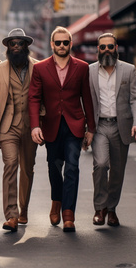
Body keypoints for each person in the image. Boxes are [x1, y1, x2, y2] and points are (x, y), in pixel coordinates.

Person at [28, 26, 96, 232]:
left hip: (75, 125)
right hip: (51, 126)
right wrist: (34, 126)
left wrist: (91, 128)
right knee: (53, 167)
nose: (61, 46)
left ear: (70, 44)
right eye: (58, 42)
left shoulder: (83, 67)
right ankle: (56, 200)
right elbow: (34, 98)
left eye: (65, 42)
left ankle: (68, 213)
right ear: (52, 44)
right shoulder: (40, 68)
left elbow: (87, 98)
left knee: (73, 167)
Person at [0, 28, 42, 232]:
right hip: (7, 127)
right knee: (10, 164)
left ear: (27, 46)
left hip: (30, 126)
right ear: (8, 47)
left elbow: (43, 98)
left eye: (20, 43)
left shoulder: (38, 67)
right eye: (13, 43)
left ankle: (24, 208)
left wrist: (40, 124)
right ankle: (11, 215)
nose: (16, 47)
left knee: (27, 168)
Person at [89, 33, 136, 227]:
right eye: (102, 47)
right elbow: (84, 100)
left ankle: (111, 210)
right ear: (98, 49)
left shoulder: (128, 70)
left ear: (116, 47)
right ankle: (99, 208)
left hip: (122, 126)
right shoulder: (90, 71)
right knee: (101, 164)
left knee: (118, 171)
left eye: (110, 47)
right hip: (100, 126)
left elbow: (135, 98)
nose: (106, 50)